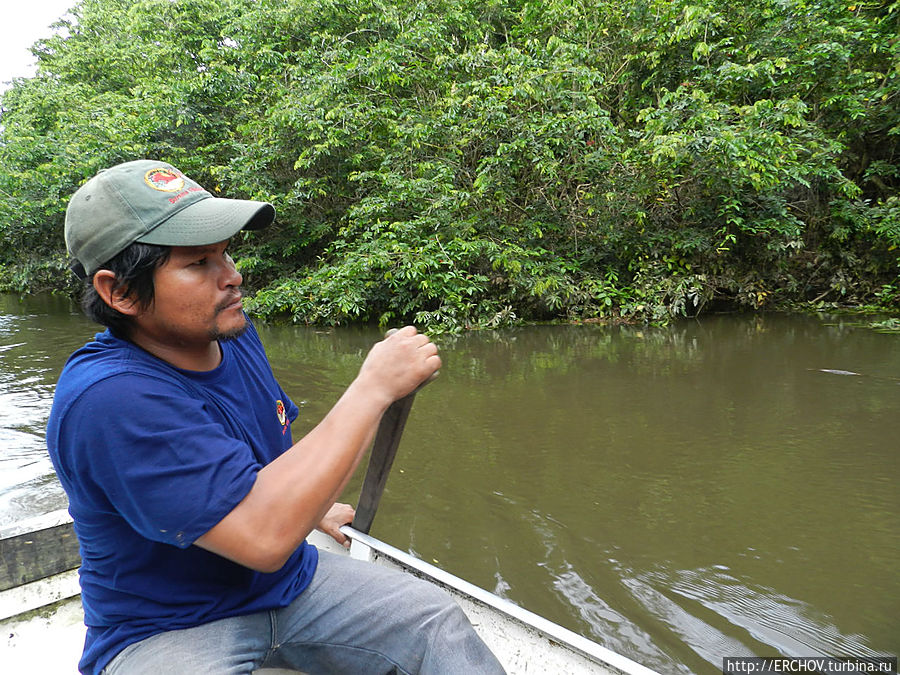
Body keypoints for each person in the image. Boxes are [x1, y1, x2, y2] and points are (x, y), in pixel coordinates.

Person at [46, 159, 505, 675]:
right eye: (199, 263)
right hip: (166, 626)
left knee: (436, 625)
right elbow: (262, 539)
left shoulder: (231, 333)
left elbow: (272, 449)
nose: (232, 276)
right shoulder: (109, 398)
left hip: (288, 583)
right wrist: (372, 388)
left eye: (225, 253)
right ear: (120, 292)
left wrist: (312, 508)